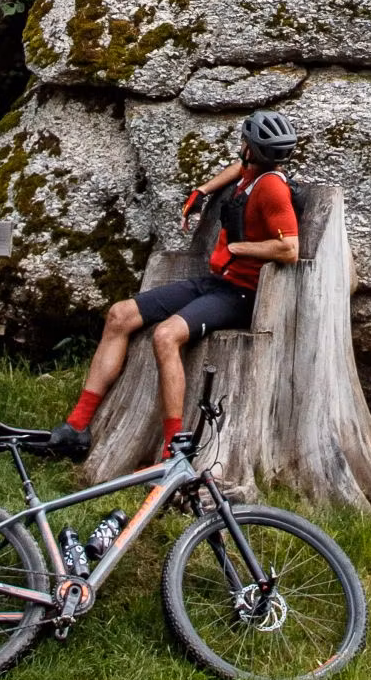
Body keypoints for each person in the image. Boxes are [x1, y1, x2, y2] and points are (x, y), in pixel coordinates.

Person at [49, 106, 303, 460]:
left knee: (166, 336)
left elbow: (289, 249)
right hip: (215, 282)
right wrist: (202, 190)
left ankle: (174, 449)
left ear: (252, 148)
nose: (241, 147)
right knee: (120, 315)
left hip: (241, 295)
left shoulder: (272, 188)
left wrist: (239, 248)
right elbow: (238, 169)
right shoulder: (252, 173)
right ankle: (77, 427)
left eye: (244, 142)